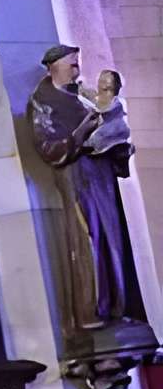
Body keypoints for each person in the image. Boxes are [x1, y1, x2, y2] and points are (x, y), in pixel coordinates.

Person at [27, 45, 148, 336]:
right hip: (77, 178)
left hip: (102, 177)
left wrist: (119, 148)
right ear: (53, 67)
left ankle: (118, 307)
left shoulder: (83, 96)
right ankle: (92, 311)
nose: (77, 70)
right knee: (87, 241)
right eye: (72, 64)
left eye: (78, 64)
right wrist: (83, 132)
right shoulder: (43, 102)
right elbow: (49, 147)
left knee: (113, 240)